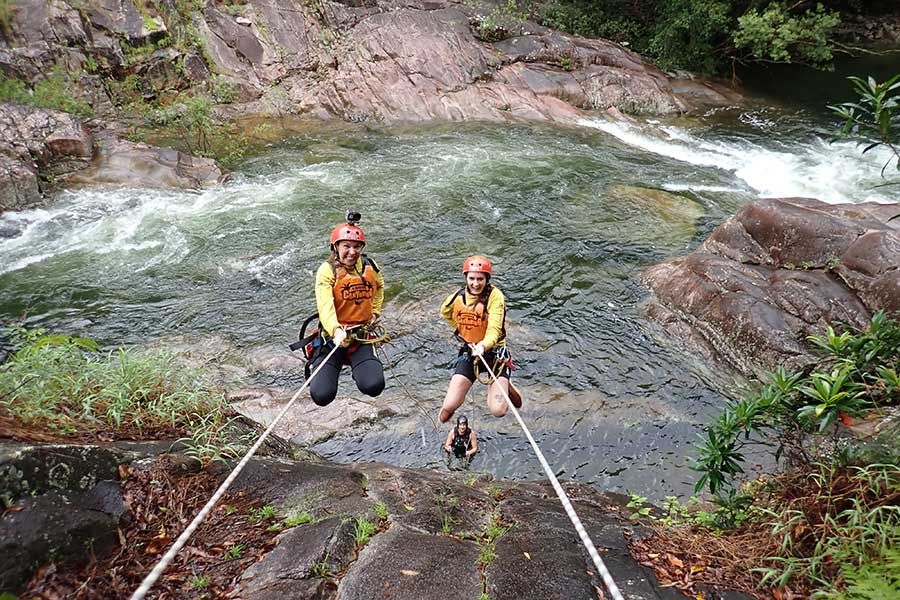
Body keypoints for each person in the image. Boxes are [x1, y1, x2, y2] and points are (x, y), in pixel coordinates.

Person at [308, 212, 386, 406]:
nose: (352, 252)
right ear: (336, 247)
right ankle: (328, 366)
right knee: (322, 395)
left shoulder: (370, 266)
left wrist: (375, 312)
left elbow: (380, 287)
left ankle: (359, 367)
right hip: (331, 338)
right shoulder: (327, 271)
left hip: (359, 337)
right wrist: (335, 329)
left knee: (374, 385)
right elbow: (325, 305)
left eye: (357, 246)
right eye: (347, 246)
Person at [438, 255, 521, 423]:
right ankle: (499, 384)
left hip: (494, 354)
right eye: (472, 279)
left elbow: (494, 329)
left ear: (487, 279)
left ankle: (506, 384)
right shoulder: (458, 297)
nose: (475, 284)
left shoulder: (495, 297)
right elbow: (444, 312)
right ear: (466, 278)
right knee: (448, 407)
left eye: (480, 279)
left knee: (498, 410)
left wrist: (483, 345)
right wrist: (462, 328)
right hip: (470, 352)